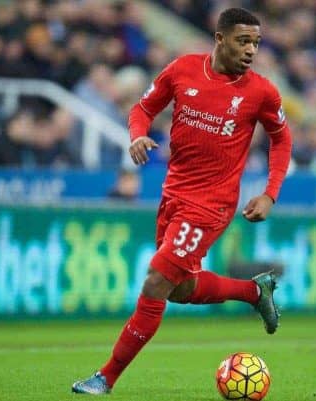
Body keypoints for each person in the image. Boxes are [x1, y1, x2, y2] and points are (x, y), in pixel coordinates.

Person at [72, 8, 292, 394]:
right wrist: (137, 135)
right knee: (180, 288)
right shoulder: (182, 70)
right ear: (220, 38)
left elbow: (282, 139)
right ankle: (254, 292)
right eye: (243, 41)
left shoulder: (261, 92)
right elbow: (142, 108)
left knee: (157, 280)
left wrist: (271, 192)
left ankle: (105, 377)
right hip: (173, 196)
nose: (251, 50)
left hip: (212, 205)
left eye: (256, 43)